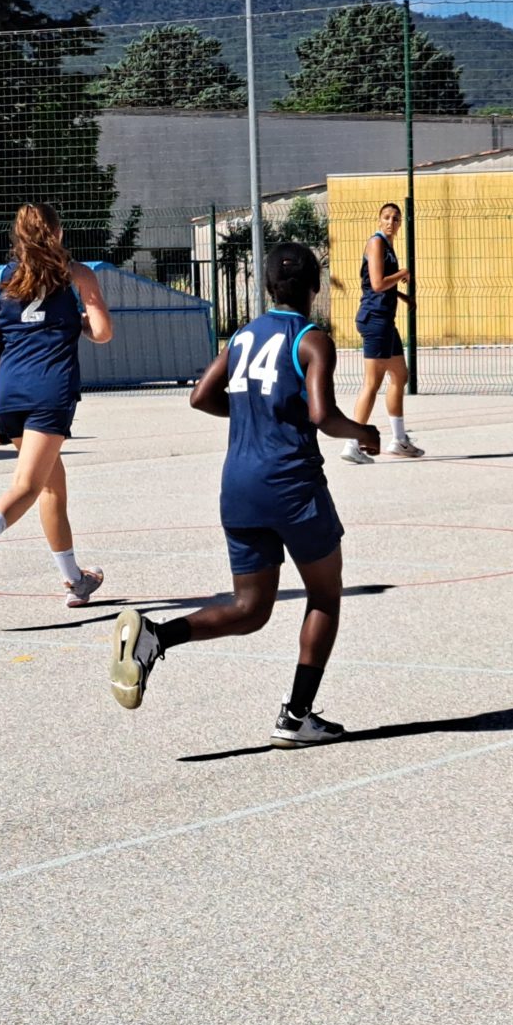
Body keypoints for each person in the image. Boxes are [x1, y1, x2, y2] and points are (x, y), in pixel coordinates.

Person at [109, 243, 378, 748]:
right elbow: (322, 415)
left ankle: (156, 636)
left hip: (239, 486)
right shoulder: (312, 340)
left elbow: (200, 396)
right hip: (292, 485)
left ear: (267, 287)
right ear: (315, 287)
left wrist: (255, 410)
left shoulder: (242, 336)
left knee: (250, 608)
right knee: (324, 594)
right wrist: (364, 432)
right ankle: (296, 717)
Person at [0, 201, 113, 606]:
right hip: (50, 388)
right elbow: (103, 332)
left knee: (52, 486)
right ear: (58, 233)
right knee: (28, 484)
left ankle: (75, 581)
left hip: (12, 389)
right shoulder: (76, 274)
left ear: (18, 237)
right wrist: (78, 323)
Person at [341, 201, 423, 463]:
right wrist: (403, 272)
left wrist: (402, 296)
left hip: (385, 320)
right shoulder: (376, 243)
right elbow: (377, 284)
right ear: (379, 220)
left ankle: (399, 440)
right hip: (374, 320)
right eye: (386, 217)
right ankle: (352, 444)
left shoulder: (388, 246)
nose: (391, 222)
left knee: (400, 374)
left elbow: (375, 283)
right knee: (372, 383)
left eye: (396, 218)